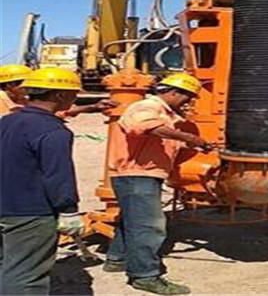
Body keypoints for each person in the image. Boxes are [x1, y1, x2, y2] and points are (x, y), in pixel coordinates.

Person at [104, 73, 210, 295]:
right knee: (149, 226)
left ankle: (117, 259)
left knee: (131, 221)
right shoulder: (147, 107)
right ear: (173, 92)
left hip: (141, 175)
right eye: (187, 96)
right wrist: (189, 138)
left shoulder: (167, 115)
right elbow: (147, 128)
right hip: (136, 175)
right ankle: (145, 276)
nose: (188, 102)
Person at [0, 67, 85, 295]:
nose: (75, 98)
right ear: (60, 95)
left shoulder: (7, 122)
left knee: (5, 266)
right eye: (74, 94)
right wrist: (68, 209)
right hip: (30, 213)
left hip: (4, 204)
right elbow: (58, 175)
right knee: (25, 274)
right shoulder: (53, 131)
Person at [0, 64, 115, 118]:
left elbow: (56, 113)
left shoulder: (22, 100)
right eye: (26, 83)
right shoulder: (2, 102)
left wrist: (92, 107)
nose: (30, 86)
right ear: (10, 84)